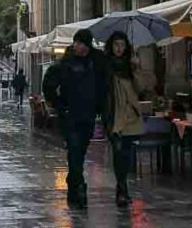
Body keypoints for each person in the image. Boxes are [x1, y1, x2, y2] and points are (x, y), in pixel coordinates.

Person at [42, 28, 108, 209]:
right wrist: (59, 105)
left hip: (88, 114)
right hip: (70, 115)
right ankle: (79, 188)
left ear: (87, 45)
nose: (76, 45)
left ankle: (73, 183)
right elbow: (49, 83)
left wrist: (100, 106)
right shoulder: (66, 63)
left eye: (80, 42)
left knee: (80, 151)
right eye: (76, 42)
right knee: (75, 150)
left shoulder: (96, 61)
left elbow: (104, 82)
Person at [104, 31, 144, 207]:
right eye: (116, 45)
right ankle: (121, 190)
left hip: (130, 116)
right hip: (113, 115)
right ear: (111, 47)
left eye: (122, 45)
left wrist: (136, 69)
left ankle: (122, 190)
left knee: (125, 155)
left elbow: (141, 89)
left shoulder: (130, 67)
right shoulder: (106, 66)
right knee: (118, 152)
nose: (119, 48)